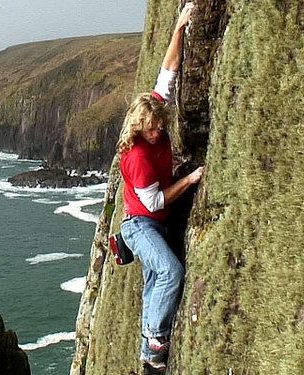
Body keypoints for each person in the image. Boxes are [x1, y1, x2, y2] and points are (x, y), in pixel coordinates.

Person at [116, 2, 203, 373]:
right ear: (139, 129)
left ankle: (147, 355)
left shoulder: (154, 115)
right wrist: (190, 179)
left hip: (154, 222)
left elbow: (167, 72)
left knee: (154, 282)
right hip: (140, 224)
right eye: (152, 129)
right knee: (170, 272)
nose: (158, 132)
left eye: (159, 126)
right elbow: (154, 202)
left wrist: (179, 27)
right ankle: (155, 340)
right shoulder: (137, 156)